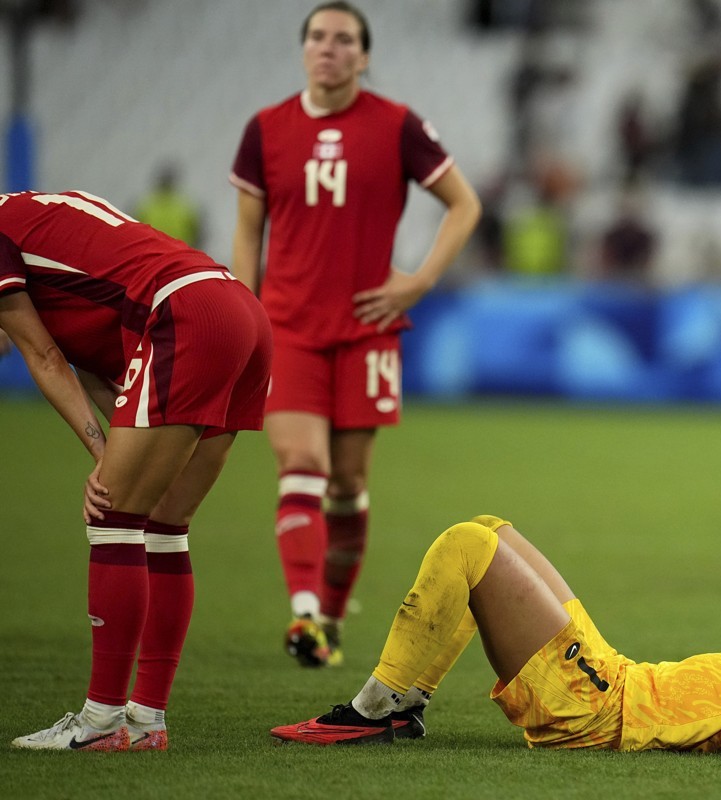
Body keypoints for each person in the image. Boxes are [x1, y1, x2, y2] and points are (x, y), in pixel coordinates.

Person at [270, 515, 721, 756]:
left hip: (595, 708)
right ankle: (409, 702)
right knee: (492, 528)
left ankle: (374, 709)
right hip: (614, 676)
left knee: (465, 546)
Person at [229, 1, 481, 670]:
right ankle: (306, 614)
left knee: (348, 483)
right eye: (318, 36)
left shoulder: (397, 126)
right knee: (302, 464)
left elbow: (465, 203)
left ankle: (332, 616)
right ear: (303, 48)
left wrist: (419, 280)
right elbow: (249, 232)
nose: (329, 48)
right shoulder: (266, 129)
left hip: (367, 328)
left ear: (363, 56)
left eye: (344, 39)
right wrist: (244, 312)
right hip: (289, 325)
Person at [0, 189, 272, 750]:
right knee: (165, 526)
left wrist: (103, 457)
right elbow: (109, 371)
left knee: (113, 516)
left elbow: (43, 357)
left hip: (186, 314)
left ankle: (99, 723)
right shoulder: (37, 212)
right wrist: (115, 455)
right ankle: (146, 720)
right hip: (237, 309)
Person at [134, 162, 205, 248]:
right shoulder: (187, 206)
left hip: (155, 253)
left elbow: (133, 233)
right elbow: (199, 235)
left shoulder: (144, 206)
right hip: (178, 252)